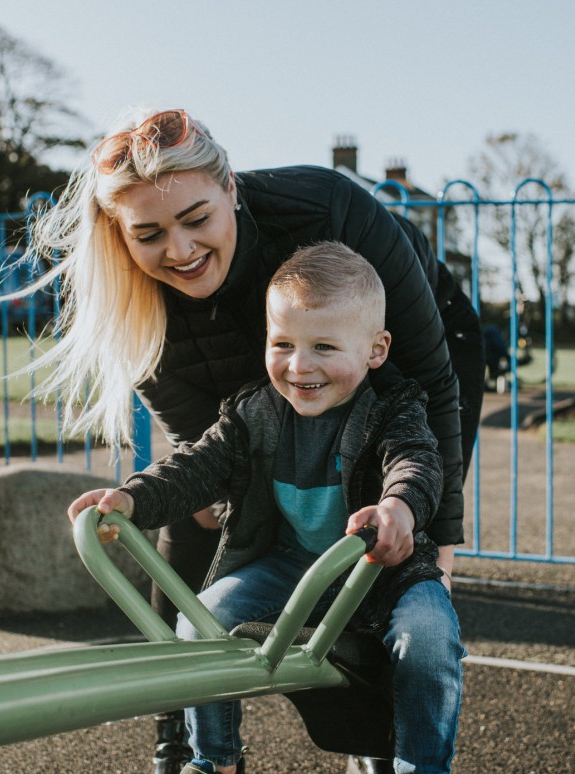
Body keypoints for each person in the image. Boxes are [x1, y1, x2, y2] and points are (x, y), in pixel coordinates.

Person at [28, 107, 483, 773]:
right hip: (263, 370)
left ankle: (384, 742)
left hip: (400, 348)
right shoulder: (142, 308)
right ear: (121, 235)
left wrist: (431, 544)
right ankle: (191, 748)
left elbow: (429, 400)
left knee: (400, 568)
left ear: (231, 189)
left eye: (196, 219)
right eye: (149, 233)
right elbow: (204, 464)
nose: (179, 249)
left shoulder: (326, 208)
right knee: (204, 529)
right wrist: (141, 499)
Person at [68, 243, 464, 773]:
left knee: (430, 641)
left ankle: (421, 765)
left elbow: (417, 462)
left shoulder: (392, 409)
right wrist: (134, 498)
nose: (300, 366)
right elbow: (196, 465)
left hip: (382, 571)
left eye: (324, 346)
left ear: (376, 348)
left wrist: (399, 507)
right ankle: (216, 759)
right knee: (198, 628)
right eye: (283, 343)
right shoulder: (254, 412)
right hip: (289, 563)